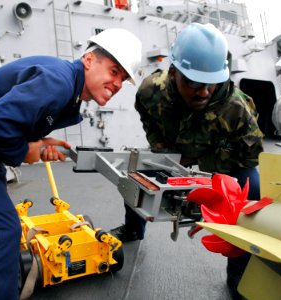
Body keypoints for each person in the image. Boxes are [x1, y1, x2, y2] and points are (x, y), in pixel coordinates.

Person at [0, 28, 141, 300]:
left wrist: (41, 143)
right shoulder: (59, 81)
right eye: (114, 71)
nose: (117, 83)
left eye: (123, 79)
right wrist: (25, 150)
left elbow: (10, 119)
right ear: (89, 60)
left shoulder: (67, 86)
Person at [110, 23, 263, 298]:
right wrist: (158, 144)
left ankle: (240, 268)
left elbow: (249, 155)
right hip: (172, 148)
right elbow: (146, 114)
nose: (203, 92)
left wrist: (208, 162)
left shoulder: (238, 110)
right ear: (173, 73)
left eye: (210, 83)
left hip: (218, 156)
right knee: (135, 177)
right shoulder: (150, 91)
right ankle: (134, 229)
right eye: (193, 82)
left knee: (251, 191)